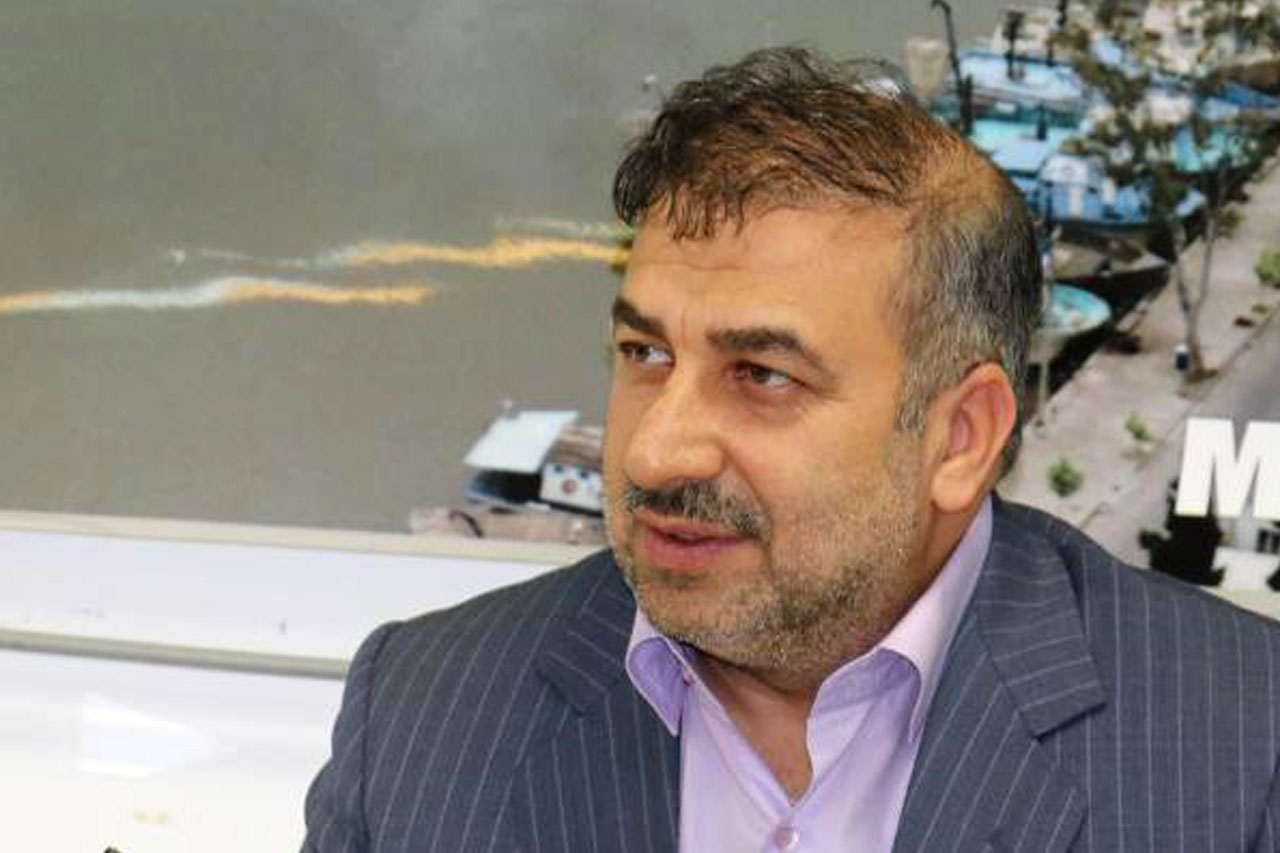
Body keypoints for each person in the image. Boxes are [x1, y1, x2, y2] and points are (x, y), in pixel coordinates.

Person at [302, 47, 1280, 853]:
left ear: (960, 436)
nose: (655, 451)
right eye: (645, 354)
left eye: (762, 375)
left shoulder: (1238, 749)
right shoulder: (424, 716)